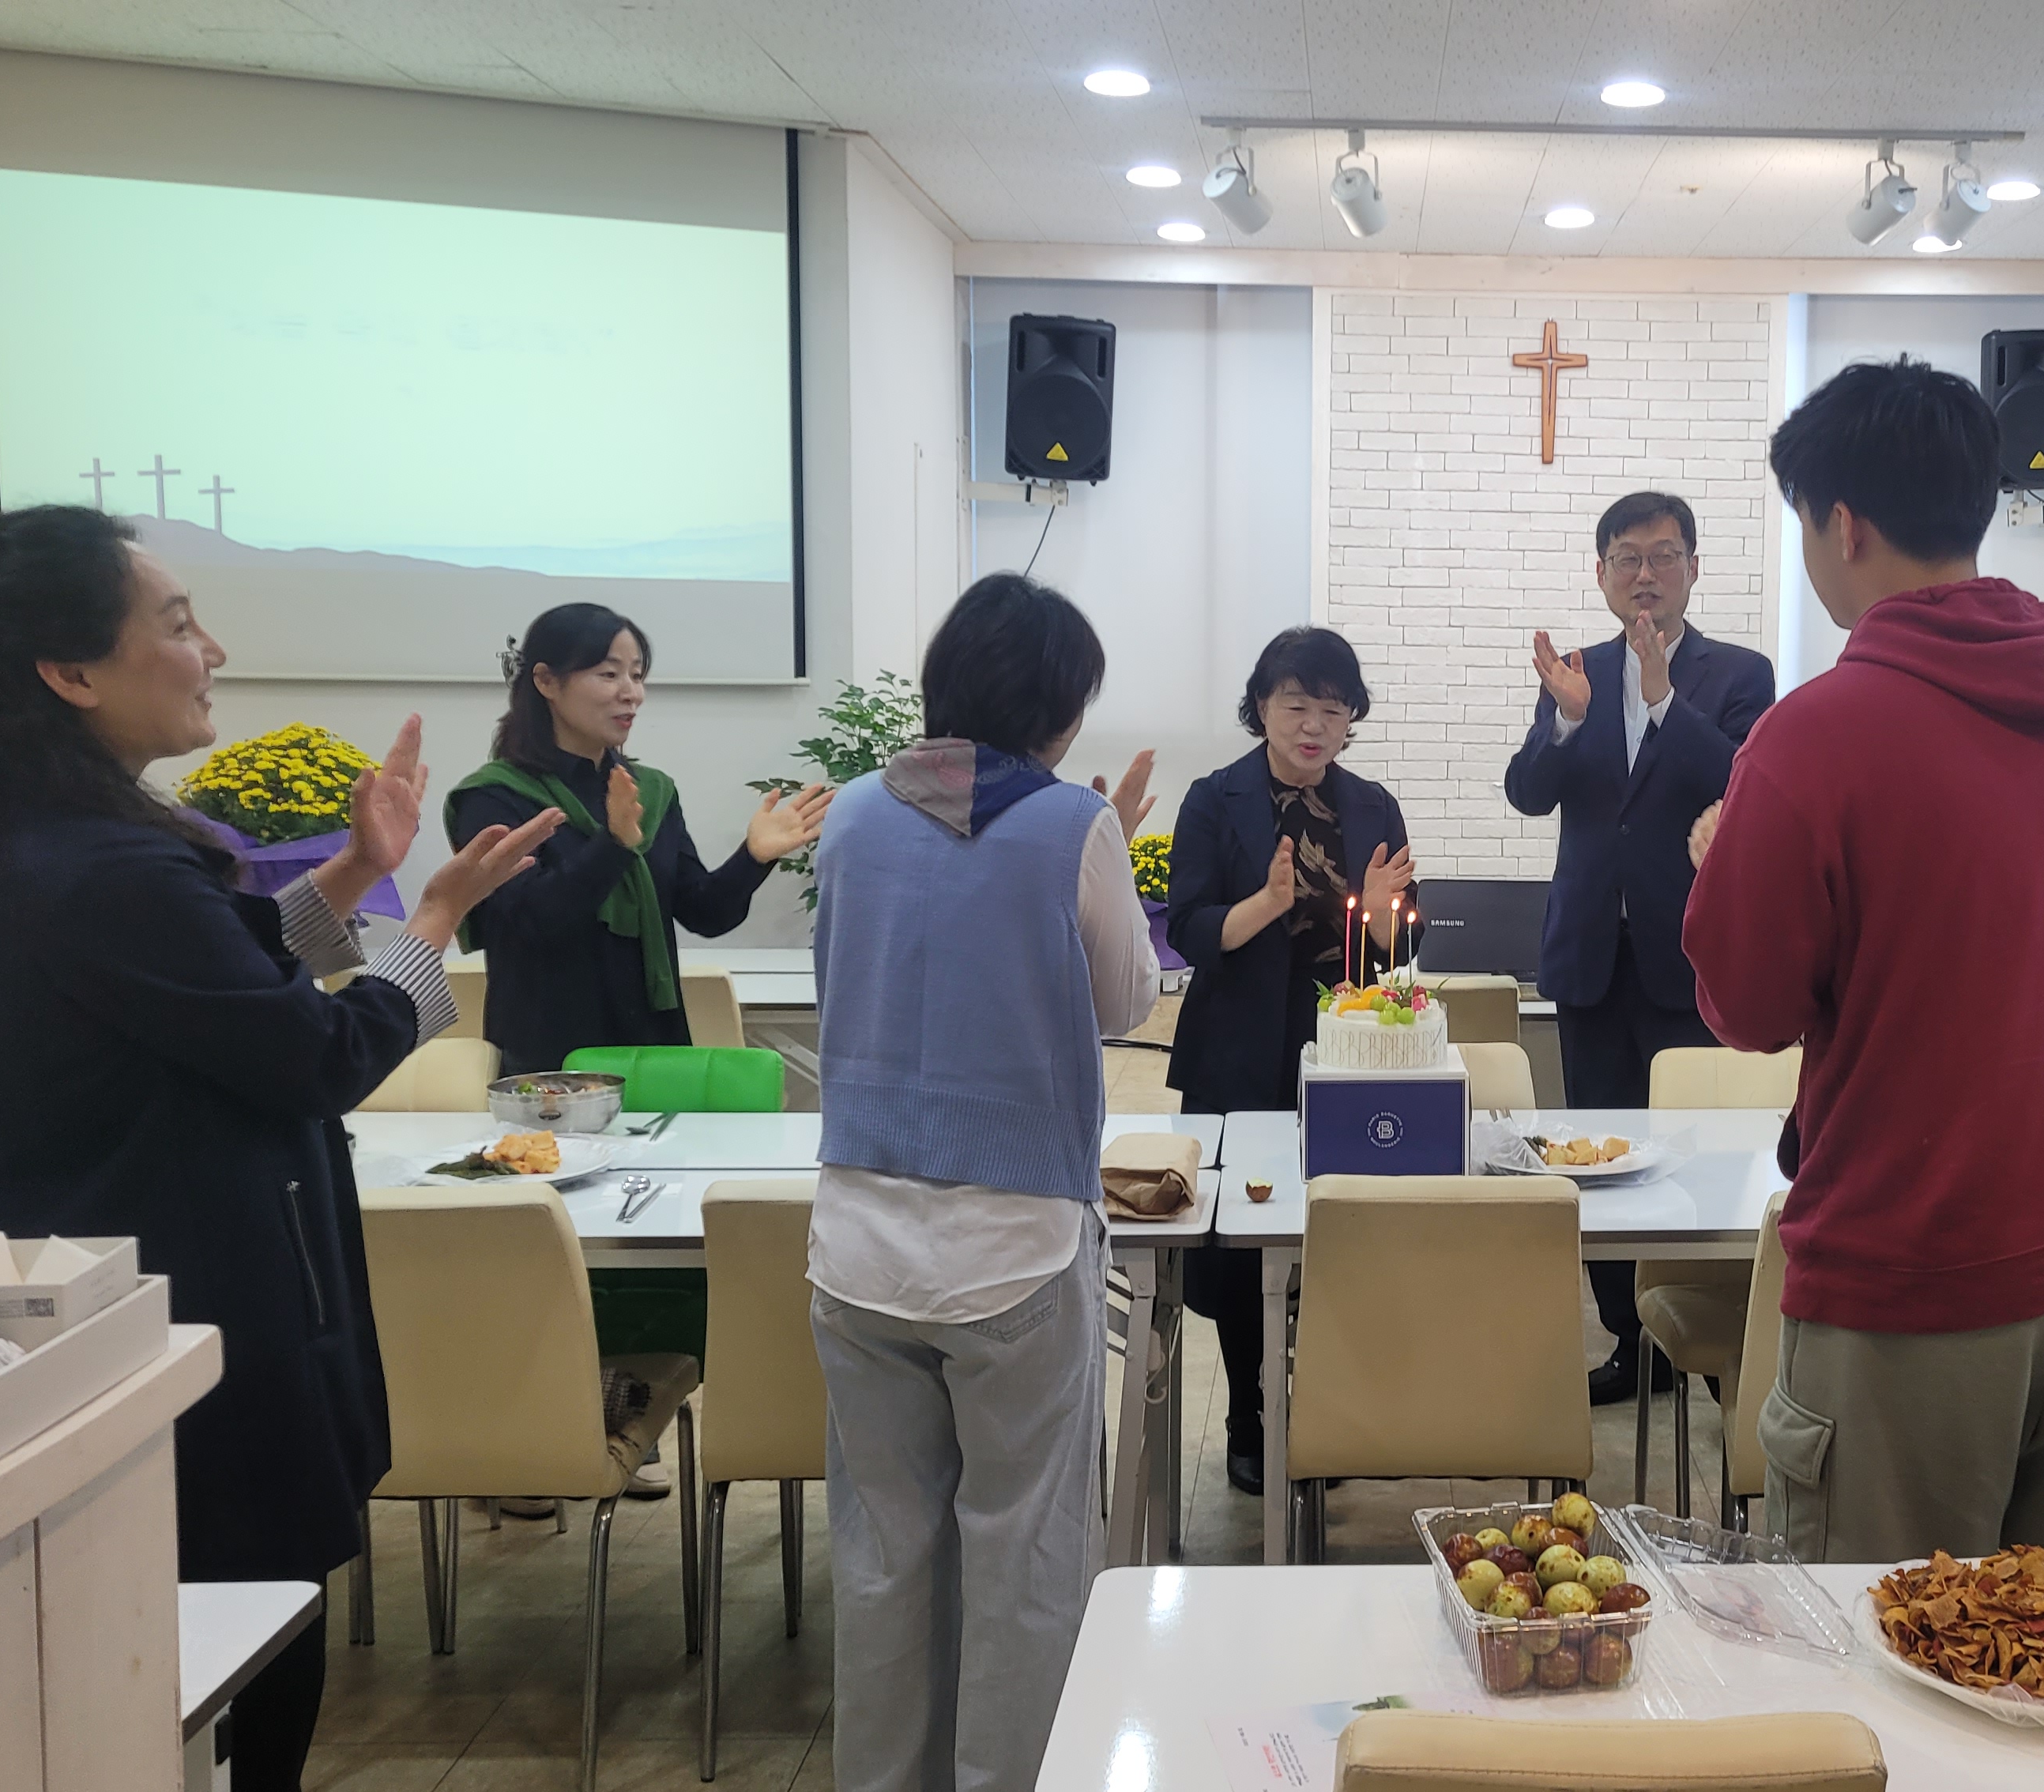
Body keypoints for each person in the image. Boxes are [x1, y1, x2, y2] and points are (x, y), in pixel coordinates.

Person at [0, 506, 556, 1792]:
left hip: (124, 1309)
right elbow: (313, 1054)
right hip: (196, 1315)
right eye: (180, 624)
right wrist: (434, 921)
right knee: (240, 1655)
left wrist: (354, 874)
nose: (214, 651)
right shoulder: (101, 862)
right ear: (70, 672)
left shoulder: (26, 841)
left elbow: (201, 985)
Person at [1682, 358, 2044, 1565]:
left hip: (1916, 1260)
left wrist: (1719, 858)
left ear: (1842, 523)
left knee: (1886, 1649)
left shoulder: (1814, 737)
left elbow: (1748, 1007)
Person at [805, 572, 1158, 1792]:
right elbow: (1126, 1002)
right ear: (1058, 708)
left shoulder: (852, 814)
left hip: (857, 1238)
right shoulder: (1074, 825)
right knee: (1023, 1563)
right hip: (1014, 1245)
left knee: (882, 1558)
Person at [1506, 491, 1775, 1406]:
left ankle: (1705, 1325)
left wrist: (1662, 701)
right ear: (1602, 573)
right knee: (1601, 1156)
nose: (1646, 574)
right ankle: (1631, 1340)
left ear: (1694, 569)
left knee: (1697, 1151)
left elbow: (1745, 784)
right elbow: (1528, 792)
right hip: (1590, 957)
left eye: (1664, 556)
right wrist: (1568, 720)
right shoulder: (1575, 671)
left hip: (1689, 960)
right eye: (1628, 557)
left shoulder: (1740, 674)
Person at [1164, 627, 1419, 1496]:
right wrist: (1266, 905)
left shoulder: (1372, 806)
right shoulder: (1215, 798)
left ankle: (1324, 1411)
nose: (1314, 725)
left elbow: (1400, 943)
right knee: (1243, 1242)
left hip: (1346, 1052)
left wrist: (1383, 920)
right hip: (1239, 1052)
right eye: (1296, 704)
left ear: (1352, 719)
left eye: (1333, 709)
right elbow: (1189, 926)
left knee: (1339, 1235)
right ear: (1262, 707)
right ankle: (1248, 1415)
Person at [446, 601, 830, 1078]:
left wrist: (753, 858)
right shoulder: (493, 798)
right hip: (547, 1059)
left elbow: (705, 913)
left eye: (637, 675)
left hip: (654, 1050)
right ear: (546, 681)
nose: (632, 694)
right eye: (609, 675)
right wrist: (613, 845)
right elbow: (530, 925)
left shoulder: (649, 791)